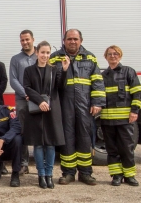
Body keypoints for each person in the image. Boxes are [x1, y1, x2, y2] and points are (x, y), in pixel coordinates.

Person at [49, 29, 106, 185]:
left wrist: (97, 102)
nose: (72, 42)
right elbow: (51, 82)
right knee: (67, 139)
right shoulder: (55, 58)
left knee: (84, 138)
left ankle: (86, 173)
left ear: (81, 40)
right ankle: (68, 173)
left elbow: (97, 81)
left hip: (85, 105)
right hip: (63, 105)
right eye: (69, 39)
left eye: (75, 39)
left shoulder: (90, 58)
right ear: (64, 40)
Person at [23, 41, 69, 189]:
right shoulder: (29, 70)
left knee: (50, 144)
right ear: (37, 52)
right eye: (42, 52)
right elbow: (28, 88)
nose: (45, 55)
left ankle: (49, 175)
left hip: (51, 109)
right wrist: (40, 101)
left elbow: (61, 87)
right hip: (36, 110)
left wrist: (65, 70)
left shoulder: (54, 69)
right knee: (38, 144)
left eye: (48, 53)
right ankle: (41, 175)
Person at [101, 45, 141, 187]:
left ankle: (130, 175)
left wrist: (135, 111)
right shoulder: (103, 76)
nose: (113, 56)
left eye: (115, 54)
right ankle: (116, 176)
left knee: (126, 148)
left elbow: (137, 93)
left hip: (125, 119)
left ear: (120, 56)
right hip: (107, 121)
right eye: (110, 54)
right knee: (112, 149)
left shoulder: (128, 72)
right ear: (105, 57)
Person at [9, 30, 37, 175]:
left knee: (39, 131)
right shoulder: (15, 59)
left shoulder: (41, 56)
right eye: (22, 40)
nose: (25, 42)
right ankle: (24, 163)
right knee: (22, 131)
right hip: (22, 100)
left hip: (38, 101)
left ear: (33, 39)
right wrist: (26, 94)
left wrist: (36, 96)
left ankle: (40, 164)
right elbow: (13, 80)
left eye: (27, 39)